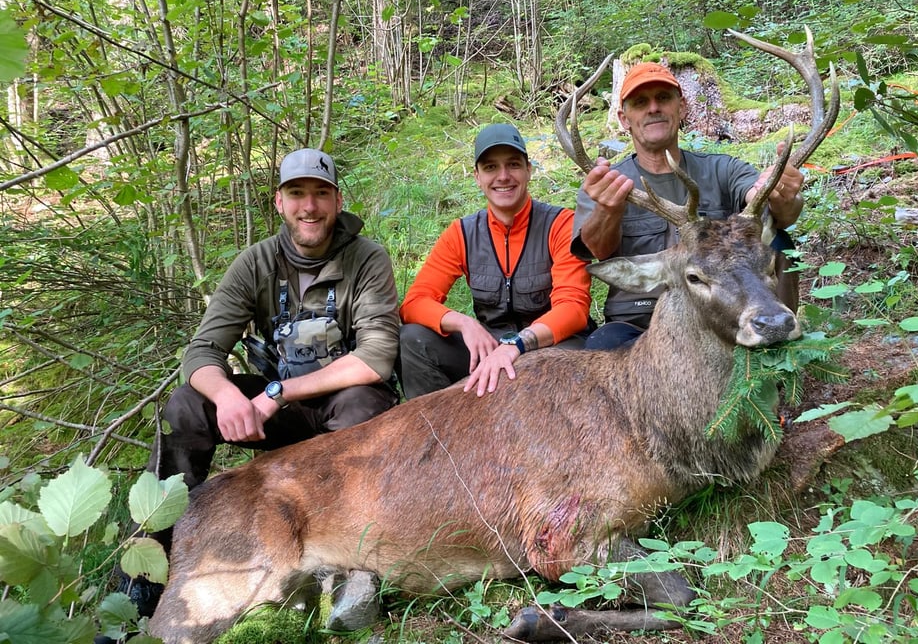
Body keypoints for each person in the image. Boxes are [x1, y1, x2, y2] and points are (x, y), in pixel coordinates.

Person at [123, 148, 400, 621]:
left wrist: (276, 394)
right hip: (281, 414)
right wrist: (229, 395)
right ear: (279, 201)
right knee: (188, 406)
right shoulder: (255, 264)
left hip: (345, 410)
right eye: (297, 194)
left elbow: (376, 358)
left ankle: (350, 556)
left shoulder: (367, 260)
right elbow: (202, 352)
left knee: (360, 407)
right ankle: (145, 564)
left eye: (320, 194)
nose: (308, 206)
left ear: (336, 200)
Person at [572, 62, 803, 349]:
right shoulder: (606, 184)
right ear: (624, 118)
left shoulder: (723, 170)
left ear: (682, 107)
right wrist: (608, 209)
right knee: (603, 352)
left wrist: (778, 192)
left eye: (664, 98)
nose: (653, 108)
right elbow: (597, 250)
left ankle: (778, 337)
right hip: (637, 321)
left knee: (778, 239)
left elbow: (781, 215)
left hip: (723, 311)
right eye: (641, 102)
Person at [399, 123, 593, 398]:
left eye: (513, 164)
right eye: (491, 167)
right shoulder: (461, 234)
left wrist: (517, 344)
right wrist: (465, 324)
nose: (503, 176)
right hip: (490, 344)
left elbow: (573, 308)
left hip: (552, 346)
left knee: (570, 362)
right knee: (413, 339)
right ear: (477, 176)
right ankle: (434, 432)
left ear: (529, 170)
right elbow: (414, 303)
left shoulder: (560, 225)